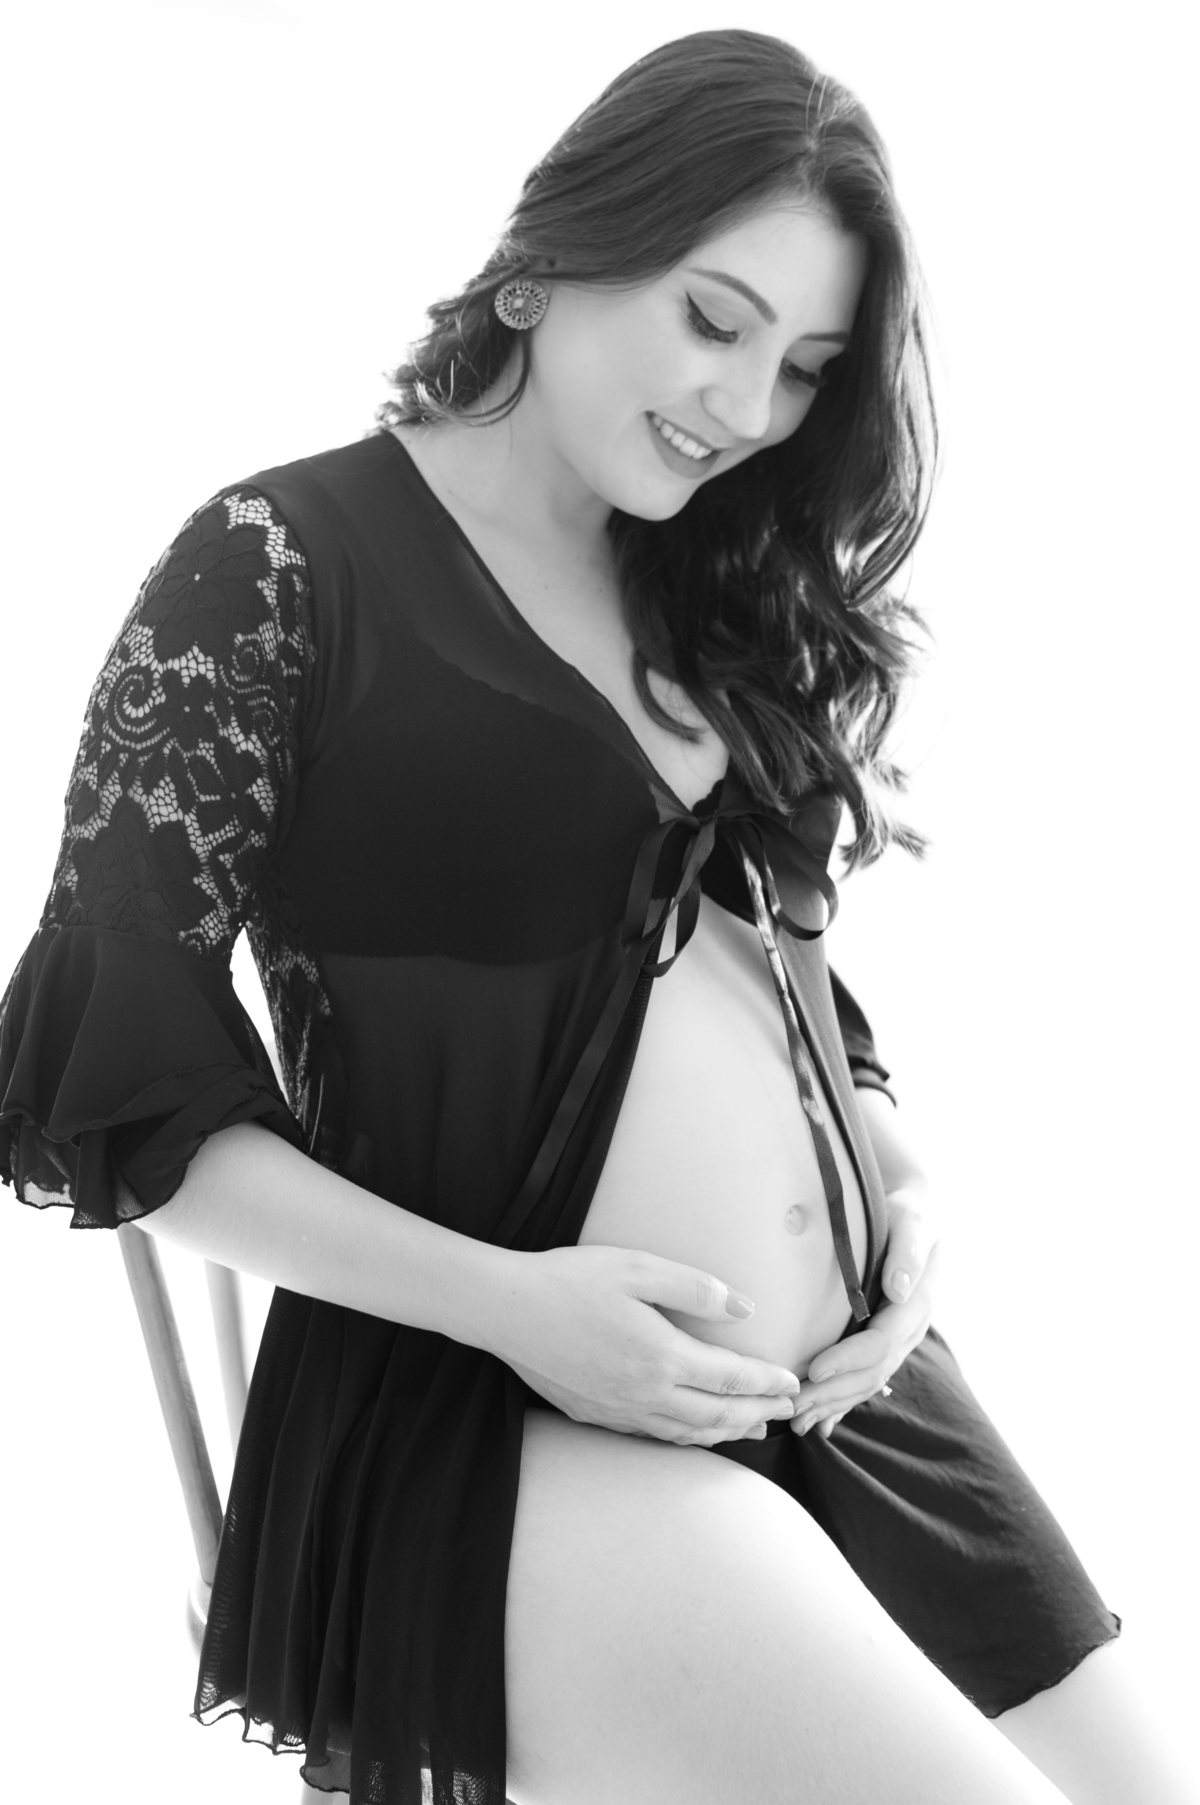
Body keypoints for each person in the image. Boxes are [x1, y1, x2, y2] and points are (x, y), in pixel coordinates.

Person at [0, 26, 1191, 1805]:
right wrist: (517, 1307)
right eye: (716, 321)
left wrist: (895, 1181)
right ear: (554, 251)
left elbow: (774, 981)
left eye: (805, 368)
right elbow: (112, 1098)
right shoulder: (276, 567)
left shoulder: (712, 579)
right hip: (494, 1420)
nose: (748, 408)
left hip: (854, 1398)